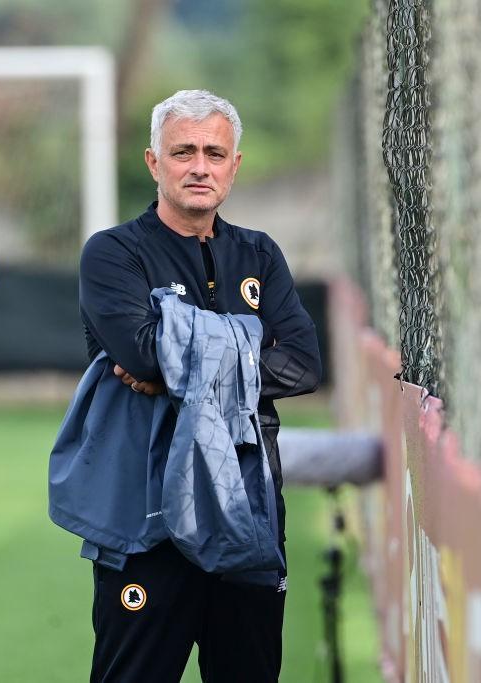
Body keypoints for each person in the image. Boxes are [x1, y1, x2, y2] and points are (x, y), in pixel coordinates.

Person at [77, 89, 321, 682]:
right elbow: (140, 351)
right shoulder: (114, 254)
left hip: (248, 510)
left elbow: (306, 364)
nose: (200, 166)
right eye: (183, 151)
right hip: (146, 517)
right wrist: (242, 347)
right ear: (153, 162)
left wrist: (181, 356)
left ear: (234, 165)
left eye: (215, 152)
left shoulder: (260, 255)